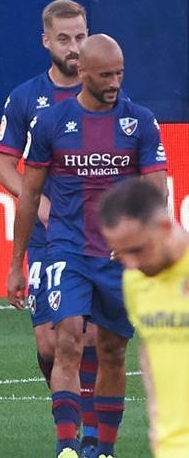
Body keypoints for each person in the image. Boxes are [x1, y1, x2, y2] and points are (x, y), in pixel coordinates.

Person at [7, 34, 168, 458]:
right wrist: (15, 263)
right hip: (67, 250)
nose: (114, 82)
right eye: (105, 75)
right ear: (83, 73)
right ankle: (67, 446)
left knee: (113, 351)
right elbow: (28, 196)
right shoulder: (52, 123)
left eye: (119, 74)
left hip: (119, 259)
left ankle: (104, 447)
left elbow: (157, 192)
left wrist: (140, 242)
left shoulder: (140, 122)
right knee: (67, 342)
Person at [0, 0, 100, 456]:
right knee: (49, 342)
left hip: (94, 239)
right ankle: (66, 400)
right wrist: (35, 202)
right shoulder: (26, 98)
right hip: (45, 238)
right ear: (46, 41)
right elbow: (3, 166)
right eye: (64, 38)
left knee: (86, 337)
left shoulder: (106, 93)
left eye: (80, 36)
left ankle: (84, 438)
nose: (74, 47)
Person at [100, 179, 189, 458]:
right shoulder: (135, 280)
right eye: (120, 253)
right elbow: (152, 357)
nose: (130, 263)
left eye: (137, 249)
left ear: (164, 227)